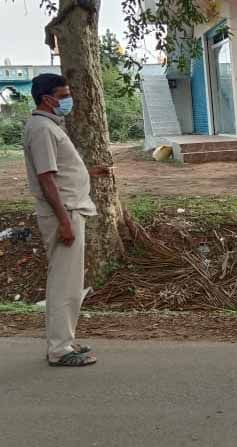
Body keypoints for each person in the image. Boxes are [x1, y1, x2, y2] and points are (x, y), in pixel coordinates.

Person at [24, 74, 105, 366]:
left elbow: (57, 171)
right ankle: (59, 349)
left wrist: (89, 172)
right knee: (64, 284)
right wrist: (64, 222)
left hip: (70, 210)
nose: (68, 99)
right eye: (64, 94)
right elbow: (46, 179)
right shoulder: (42, 129)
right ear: (48, 99)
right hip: (65, 213)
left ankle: (64, 342)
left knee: (70, 282)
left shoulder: (48, 126)